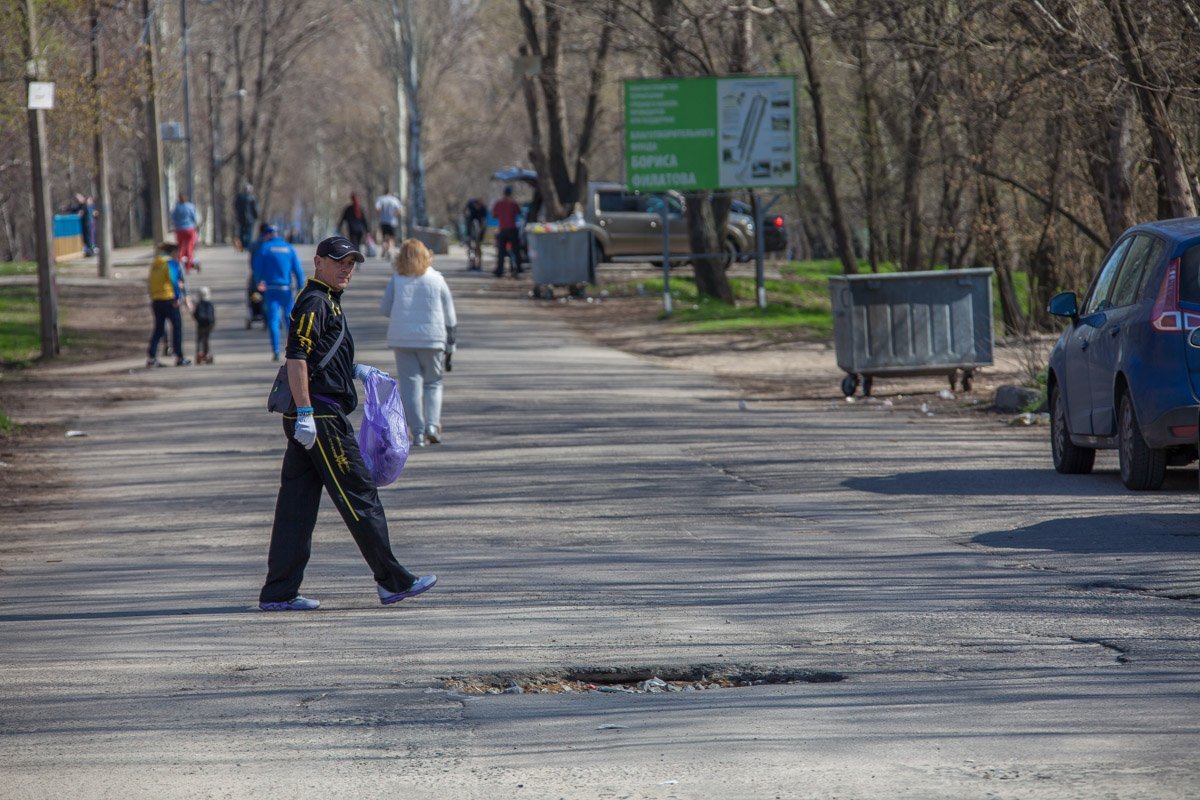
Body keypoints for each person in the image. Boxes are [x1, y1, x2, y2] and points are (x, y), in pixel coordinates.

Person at [258, 235, 437, 612]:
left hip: (315, 416)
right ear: (318, 261)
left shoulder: (327, 302)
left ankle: (279, 592)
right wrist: (306, 412)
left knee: (297, 506)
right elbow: (297, 358)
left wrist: (353, 370)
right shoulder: (314, 302)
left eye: (352, 263)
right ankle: (392, 580)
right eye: (339, 261)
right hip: (320, 418)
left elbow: (319, 355)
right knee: (359, 494)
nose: (346, 268)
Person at [380, 239, 457, 446]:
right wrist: (451, 345)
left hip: (403, 339)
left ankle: (418, 432)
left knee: (409, 385)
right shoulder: (437, 279)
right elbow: (450, 315)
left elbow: (386, 309)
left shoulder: (396, 279)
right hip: (433, 339)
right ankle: (432, 425)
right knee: (433, 382)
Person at [251, 225, 306, 360]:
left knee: (273, 320)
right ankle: (293, 351)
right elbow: (298, 270)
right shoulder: (288, 248)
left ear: (268, 235)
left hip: (271, 289)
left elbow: (256, 267)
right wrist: (300, 288)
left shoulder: (265, 248)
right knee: (290, 320)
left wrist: (259, 281)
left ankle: (276, 351)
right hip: (286, 289)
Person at [146, 240, 190, 367]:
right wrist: (178, 297)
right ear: (174, 252)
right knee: (177, 328)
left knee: (159, 329)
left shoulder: (155, 264)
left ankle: (151, 357)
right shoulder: (171, 263)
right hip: (169, 299)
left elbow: (150, 282)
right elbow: (174, 281)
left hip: (156, 300)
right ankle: (179, 357)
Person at [491, 185, 522, 277]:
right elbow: (519, 212)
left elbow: (494, 215)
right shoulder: (513, 203)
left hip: (503, 229)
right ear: (511, 193)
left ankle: (500, 270)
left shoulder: (498, 203)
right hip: (512, 229)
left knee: (501, 251)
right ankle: (517, 268)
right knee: (516, 250)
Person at [171, 192, 199, 272]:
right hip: (189, 229)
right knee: (189, 247)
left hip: (179, 230)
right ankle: (188, 267)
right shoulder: (190, 206)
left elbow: (173, 218)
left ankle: (180, 266)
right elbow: (194, 217)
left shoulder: (176, 208)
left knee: (181, 248)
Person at [374, 187, 402, 259]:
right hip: (392, 221)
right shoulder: (394, 199)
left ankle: (384, 248)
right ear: (390, 192)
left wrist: (382, 213)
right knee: (391, 237)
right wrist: (393, 214)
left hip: (383, 221)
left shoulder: (380, 199)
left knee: (384, 236)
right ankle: (389, 250)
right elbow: (399, 209)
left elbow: (377, 208)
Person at [192, 286, 216, 365]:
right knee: (206, 340)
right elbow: (212, 316)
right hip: (208, 325)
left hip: (200, 324)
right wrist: (213, 323)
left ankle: (199, 353)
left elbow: (195, 315)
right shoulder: (210, 304)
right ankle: (206, 353)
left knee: (199, 340)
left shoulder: (199, 304)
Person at [233, 183, 259, 253]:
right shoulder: (252, 197)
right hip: (250, 219)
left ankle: (243, 245)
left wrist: (237, 215)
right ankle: (247, 245)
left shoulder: (239, 197)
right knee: (249, 232)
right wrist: (256, 216)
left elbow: (235, 207)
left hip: (241, 218)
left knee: (242, 232)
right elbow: (255, 209)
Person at [463, 197, 487, 271]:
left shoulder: (483, 209)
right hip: (470, 224)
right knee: (470, 245)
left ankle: (479, 263)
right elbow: (464, 209)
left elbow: (483, 221)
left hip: (480, 226)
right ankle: (471, 262)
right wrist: (466, 217)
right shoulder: (470, 203)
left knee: (478, 246)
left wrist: (480, 232)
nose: (478, 207)